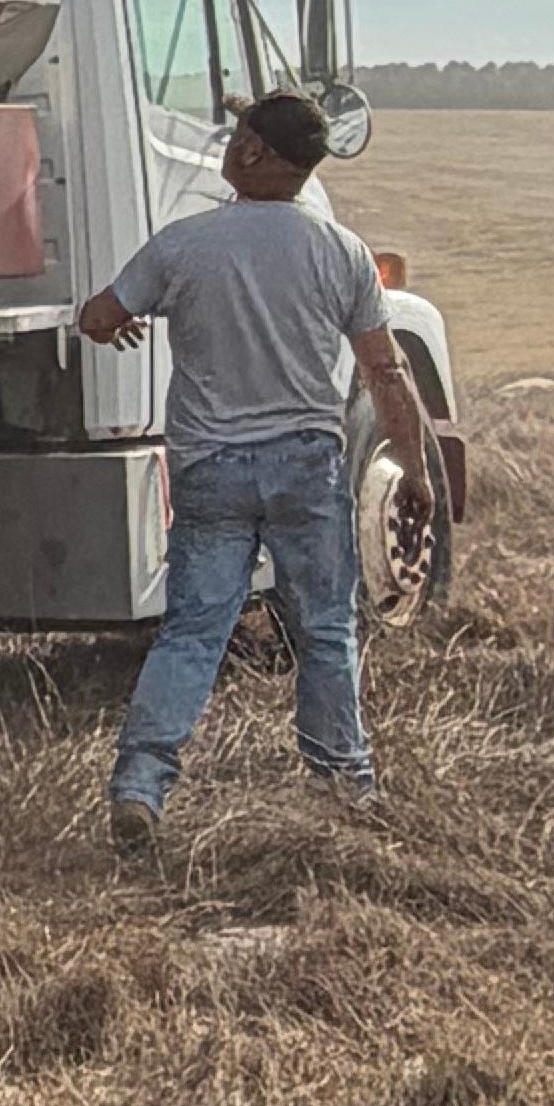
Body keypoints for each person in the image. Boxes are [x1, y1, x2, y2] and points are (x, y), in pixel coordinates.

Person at [76, 88, 433, 852]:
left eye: (238, 133)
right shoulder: (341, 251)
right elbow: (387, 371)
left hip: (211, 468)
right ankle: (346, 788)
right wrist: (414, 464)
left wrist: (121, 324)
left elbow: (97, 315)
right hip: (306, 467)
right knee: (326, 631)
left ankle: (141, 786)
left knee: (193, 633)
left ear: (251, 153)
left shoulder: (185, 245)